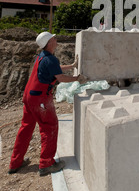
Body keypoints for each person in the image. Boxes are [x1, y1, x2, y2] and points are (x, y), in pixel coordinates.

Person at [8, 32, 87, 177]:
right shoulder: (50, 59)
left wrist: (72, 65)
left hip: (29, 97)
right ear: (49, 42)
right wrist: (77, 78)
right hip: (39, 99)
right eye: (54, 38)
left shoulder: (42, 56)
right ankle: (46, 164)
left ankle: (15, 162)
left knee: (25, 128)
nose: (56, 40)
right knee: (49, 127)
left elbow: (55, 68)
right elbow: (61, 78)